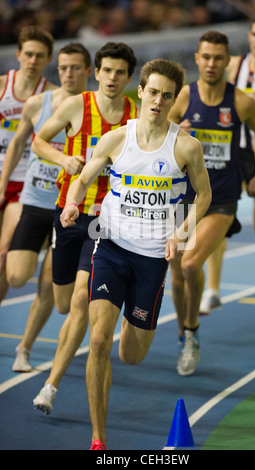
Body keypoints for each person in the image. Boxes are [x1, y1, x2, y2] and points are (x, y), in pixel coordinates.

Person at [60, 58, 212, 450]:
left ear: (174, 99)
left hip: (152, 258)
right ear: (140, 92)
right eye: (153, 92)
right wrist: (73, 203)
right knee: (97, 342)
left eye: (168, 95)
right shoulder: (115, 139)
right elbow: (84, 178)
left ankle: (134, 318)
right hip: (110, 245)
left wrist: (182, 231)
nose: (159, 101)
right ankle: (98, 439)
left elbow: (204, 195)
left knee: (130, 354)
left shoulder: (186, 146)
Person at [31, 42, 138, 415]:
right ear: (97, 72)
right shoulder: (77, 106)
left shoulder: (135, 118)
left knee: (80, 300)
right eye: (106, 70)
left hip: (106, 221)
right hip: (69, 212)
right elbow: (39, 140)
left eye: (120, 72)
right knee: (64, 304)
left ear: (129, 78)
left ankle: (50, 386)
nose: (112, 77)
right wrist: (64, 158)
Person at [168, 31, 255, 375]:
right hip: (183, 199)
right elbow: (155, 140)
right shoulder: (183, 98)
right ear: (196, 59)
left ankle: (193, 334)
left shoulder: (240, 102)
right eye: (206, 57)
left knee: (191, 265)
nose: (211, 63)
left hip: (222, 200)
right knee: (177, 277)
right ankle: (183, 333)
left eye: (218, 58)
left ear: (228, 61)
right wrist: (172, 133)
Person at [0, 43, 92, 372]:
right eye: (64, 68)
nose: (68, 73)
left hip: (69, 208)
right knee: (17, 274)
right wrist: (3, 184)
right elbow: (18, 144)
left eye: (75, 68)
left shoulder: (93, 109)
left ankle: (23, 348)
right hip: (35, 201)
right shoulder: (38, 104)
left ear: (87, 71)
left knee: (49, 282)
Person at [202, 16, 255, 314]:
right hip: (233, 153)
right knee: (218, 218)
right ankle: (212, 289)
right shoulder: (234, 65)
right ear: (248, 37)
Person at [0, 26, 56, 303]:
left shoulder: (51, 96)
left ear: (48, 59)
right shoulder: (1, 87)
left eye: (40, 56)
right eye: (29, 54)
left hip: (23, 184)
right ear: (18, 54)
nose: (33, 60)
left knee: (3, 255)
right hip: (1, 174)